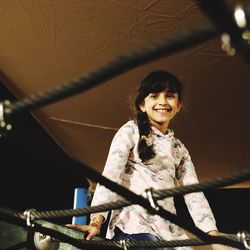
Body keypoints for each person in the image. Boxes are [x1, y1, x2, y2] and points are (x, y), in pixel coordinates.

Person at [67, 70, 236, 250]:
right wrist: (96, 221)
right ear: (142, 104)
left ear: (178, 105)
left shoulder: (179, 149)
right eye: (154, 96)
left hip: (168, 229)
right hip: (134, 225)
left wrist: (213, 236)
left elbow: (194, 194)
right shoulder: (130, 131)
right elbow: (110, 177)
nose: (162, 101)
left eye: (170, 96)